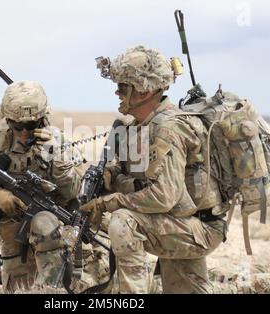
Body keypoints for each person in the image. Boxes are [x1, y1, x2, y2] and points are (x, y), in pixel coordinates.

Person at [80, 45, 227, 293]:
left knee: (123, 222)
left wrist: (109, 202)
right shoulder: (139, 126)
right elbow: (129, 171)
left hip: (198, 228)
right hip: (179, 222)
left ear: (144, 90)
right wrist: (108, 176)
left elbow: (163, 197)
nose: (117, 92)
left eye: (124, 87)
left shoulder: (168, 128)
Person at [0, 81, 84, 292]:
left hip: (54, 238)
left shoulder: (59, 144)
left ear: (42, 118)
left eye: (31, 125)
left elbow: (74, 191)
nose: (23, 132)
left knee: (44, 222)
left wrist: (56, 156)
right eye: (16, 125)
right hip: (13, 235)